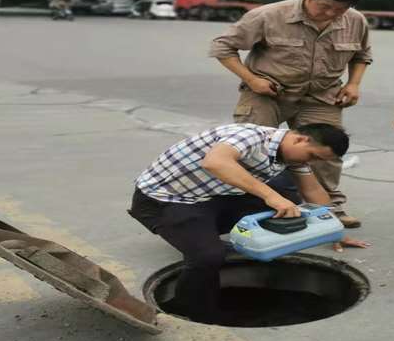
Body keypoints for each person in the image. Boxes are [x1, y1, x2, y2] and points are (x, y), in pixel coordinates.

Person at [128, 122, 368, 324]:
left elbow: (312, 189)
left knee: (291, 203)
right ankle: (193, 311)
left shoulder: (293, 156)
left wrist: (334, 230)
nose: (312, 162)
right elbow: (216, 163)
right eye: (313, 156)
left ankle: (204, 234)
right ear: (300, 139)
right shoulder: (250, 137)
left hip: (212, 197)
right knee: (208, 256)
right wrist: (270, 196)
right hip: (165, 201)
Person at [209, 0, 372, 228]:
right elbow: (222, 47)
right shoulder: (268, 15)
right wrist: (251, 79)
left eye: (339, 10)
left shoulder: (355, 20)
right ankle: (252, 208)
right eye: (324, 6)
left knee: (326, 152)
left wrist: (353, 84)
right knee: (254, 152)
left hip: (321, 95)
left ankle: (327, 209)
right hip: (268, 92)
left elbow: (362, 55)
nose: (330, 14)